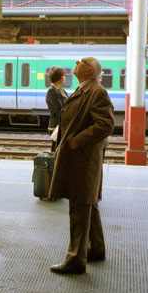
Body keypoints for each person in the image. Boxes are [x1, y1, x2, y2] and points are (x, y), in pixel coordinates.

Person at [49, 57, 114, 275]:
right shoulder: (85, 89)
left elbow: (105, 124)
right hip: (79, 158)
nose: (76, 62)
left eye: (81, 61)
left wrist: (78, 140)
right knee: (89, 203)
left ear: (88, 70)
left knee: (79, 207)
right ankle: (96, 249)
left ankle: (76, 259)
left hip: (82, 159)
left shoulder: (96, 92)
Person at [45, 66, 68, 152]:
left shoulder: (61, 90)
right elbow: (59, 110)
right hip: (56, 126)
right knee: (56, 151)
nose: (65, 77)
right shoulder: (51, 92)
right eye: (63, 75)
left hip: (62, 125)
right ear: (59, 78)